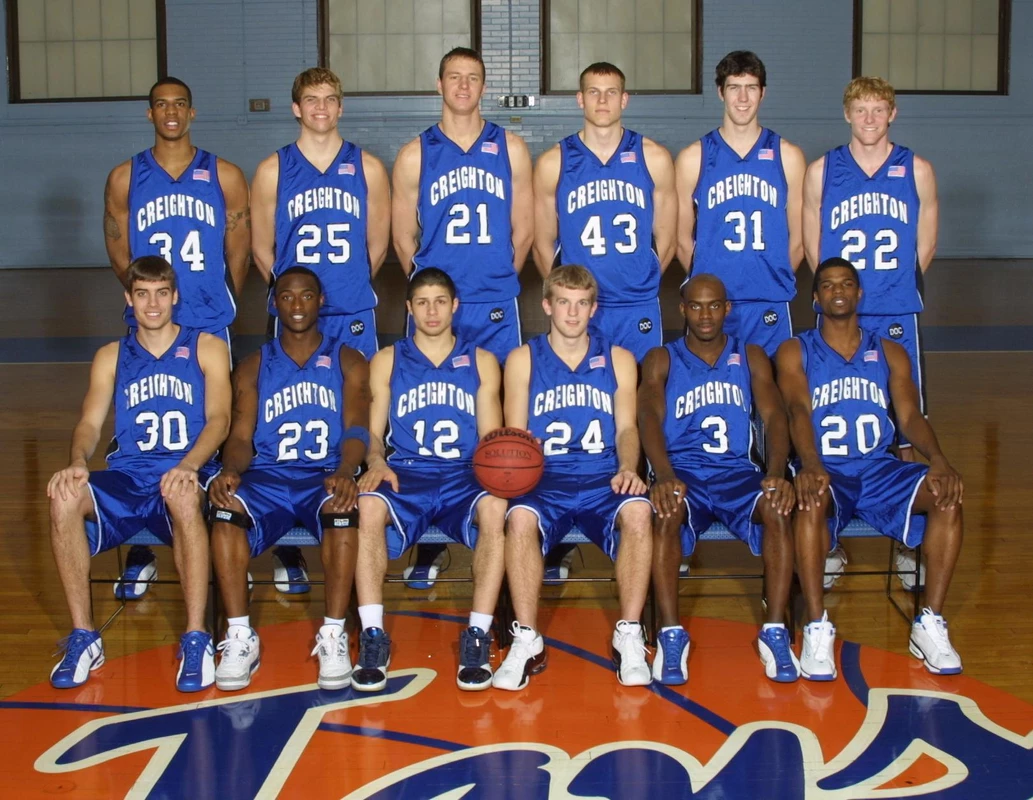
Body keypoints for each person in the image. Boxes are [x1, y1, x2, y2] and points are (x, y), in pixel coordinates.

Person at [46, 256, 231, 691]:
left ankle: (196, 636)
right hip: (129, 476)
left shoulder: (205, 347)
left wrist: (190, 465)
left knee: (183, 495)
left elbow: (219, 419)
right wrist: (76, 461)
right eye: (143, 294)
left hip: (185, 473)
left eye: (161, 293)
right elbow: (90, 425)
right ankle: (84, 636)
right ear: (129, 298)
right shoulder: (111, 356)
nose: (153, 304)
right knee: (64, 495)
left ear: (175, 296)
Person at [775, 258, 963, 680]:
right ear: (815, 298)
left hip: (879, 469)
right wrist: (809, 464)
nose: (837, 291)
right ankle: (817, 626)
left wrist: (939, 460)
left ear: (860, 294)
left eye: (846, 284)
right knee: (808, 501)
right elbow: (797, 410)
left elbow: (911, 416)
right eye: (827, 285)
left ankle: (929, 622)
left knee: (947, 496)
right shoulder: (795, 350)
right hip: (828, 470)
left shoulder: (890, 351)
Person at [103, 77, 249, 600]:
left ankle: (231, 537)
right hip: (151, 323)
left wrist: (216, 295)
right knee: (138, 430)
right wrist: (145, 298)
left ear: (192, 112)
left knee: (215, 427)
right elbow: (119, 249)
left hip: (207, 320)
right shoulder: (125, 177)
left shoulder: (225, 175)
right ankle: (141, 546)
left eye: (179, 104)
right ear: (150, 114)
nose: (171, 113)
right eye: (161, 105)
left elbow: (239, 250)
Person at [251, 67, 389, 591]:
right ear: (296, 108)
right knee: (285, 426)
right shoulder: (272, 170)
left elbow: (377, 246)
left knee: (354, 421)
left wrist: (347, 287)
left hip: (351, 315)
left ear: (341, 106)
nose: (322, 109)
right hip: (295, 318)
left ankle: (351, 525)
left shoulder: (368, 167)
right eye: (312, 100)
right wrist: (295, 302)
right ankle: (288, 543)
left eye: (331, 99)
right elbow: (265, 250)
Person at [207, 267, 370, 692]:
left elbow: (356, 429)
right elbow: (241, 437)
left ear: (321, 301)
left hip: (323, 477)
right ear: (273, 303)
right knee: (224, 510)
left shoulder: (348, 359)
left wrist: (346, 471)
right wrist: (230, 469)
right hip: (269, 477)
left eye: (306, 296)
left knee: (342, 511)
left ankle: (333, 634)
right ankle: (241, 635)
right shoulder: (252, 366)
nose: (297, 305)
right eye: (287, 297)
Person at [803, 76, 938, 586]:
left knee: (903, 426)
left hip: (895, 313)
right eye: (860, 110)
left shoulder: (917, 169)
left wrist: (888, 292)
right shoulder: (823, 171)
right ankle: (830, 539)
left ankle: (908, 541)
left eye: (878, 110)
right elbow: (814, 248)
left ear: (892, 114)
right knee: (831, 415)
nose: (869, 119)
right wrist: (840, 299)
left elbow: (925, 245)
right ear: (847, 114)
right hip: (839, 312)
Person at [494, 265, 653, 690]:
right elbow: (517, 437)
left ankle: (630, 633)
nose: (572, 313)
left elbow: (626, 429)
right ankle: (527, 638)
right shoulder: (523, 359)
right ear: (547, 305)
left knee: (639, 511)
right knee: (520, 519)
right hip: (546, 479)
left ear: (593, 308)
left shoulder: (619, 358)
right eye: (563, 302)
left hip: (604, 476)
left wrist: (627, 468)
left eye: (581, 304)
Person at [351, 268, 506, 692]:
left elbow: (491, 440)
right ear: (409, 309)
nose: (432, 310)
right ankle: (372, 634)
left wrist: (495, 476)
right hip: (407, 473)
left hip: (463, 474)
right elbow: (372, 436)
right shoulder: (387, 359)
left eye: (440, 301)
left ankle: (477, 633)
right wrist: (376, 461)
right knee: (367, 504)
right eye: (422, 302)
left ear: (455, 306)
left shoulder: (481, 360)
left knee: (496, 506)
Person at [638, 275, 797, 685]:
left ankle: (775, 630)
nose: (705, 315)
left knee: (778, 511)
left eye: (713, 306)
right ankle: (671, 633)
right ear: (682, 309)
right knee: (666, 515)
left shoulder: (752, 355)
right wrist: (664, 474)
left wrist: (776, 473)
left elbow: (777, 416)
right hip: (684, 473)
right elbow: (648, 419)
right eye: (695, 306)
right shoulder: (661, 358)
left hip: (736, 473)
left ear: (728, 309)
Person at [391, 47, 534, 365]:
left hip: (494, 298)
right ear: (439, 84)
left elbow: (524, 231)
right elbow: (402, 238)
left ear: (484, 87)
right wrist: (427, 291)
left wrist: (501, 277)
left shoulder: (511, 148)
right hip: (436, 302)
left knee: (498, 395)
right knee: (431, 391)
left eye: (473, 79)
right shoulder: (414, 154)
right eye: (455, 77)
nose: (464, 86)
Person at [532, 62, 677, 363]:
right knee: (584, 397)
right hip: (583, 306)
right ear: (580, 99)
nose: (602, 101)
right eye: (593, 92)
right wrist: (568, 296)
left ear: (624, 99)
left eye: (611, 92)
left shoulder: (653, 157)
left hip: (637, 306)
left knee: (640, 394)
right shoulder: (553, 163)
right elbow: (542, 242)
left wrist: (642, 283)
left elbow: (667, 237)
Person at [675, 51, 806, 357]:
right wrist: (705, 287)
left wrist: (773, 279)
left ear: (763, 92)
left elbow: (798, 239)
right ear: (721, 92)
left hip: (769, 302)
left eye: (751, 87)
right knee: (713, 396)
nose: (743, 98)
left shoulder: (787, 156)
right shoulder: (694, 157)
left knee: (771, 397)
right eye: (734, 87)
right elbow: (682, 240)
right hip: (713, 305)